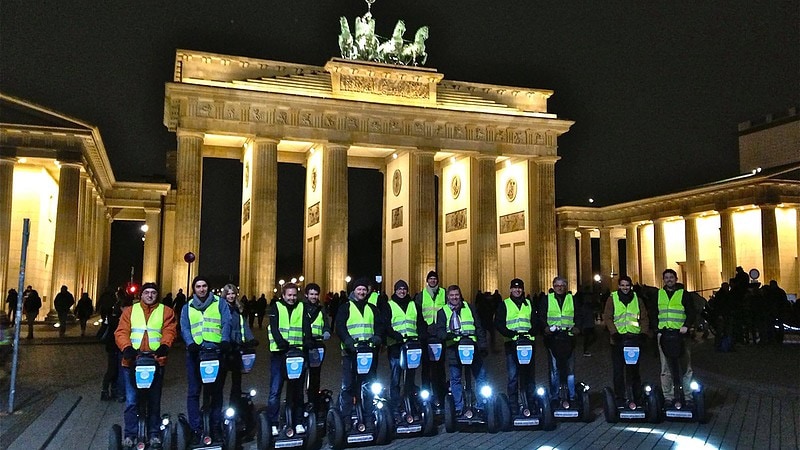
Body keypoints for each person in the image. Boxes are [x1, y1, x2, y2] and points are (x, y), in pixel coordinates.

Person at [115, 282, 177, 449]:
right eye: (146, 292)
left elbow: (169, 330)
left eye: (153, 293)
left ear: (157, 295)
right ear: (141, 295)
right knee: (132, 400)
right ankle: (130, 434)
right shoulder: (130, 311)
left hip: (156, 361)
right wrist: (126, 347)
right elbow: (121, 331)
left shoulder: (166, 311)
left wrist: (165, 345)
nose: (150, 295)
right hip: (132, 361)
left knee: (154, 399)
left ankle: (154, 433)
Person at [180, 275, 232, 443]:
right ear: (194, 289)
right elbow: (185, 327)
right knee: (194, 391)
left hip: (216, 351)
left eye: (204, 286)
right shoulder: (187, 307)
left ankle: (216, 426)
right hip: (195, 353)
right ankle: (196, 428)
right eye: (198, 286)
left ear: (208, 287)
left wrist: (225, 340)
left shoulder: (220, 302)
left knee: (216, 392)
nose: (201, 289)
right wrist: (190, 343)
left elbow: (227, 322)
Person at [434, 284, 488, 415]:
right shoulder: (442, 312)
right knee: (455, 379)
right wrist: (447, 335)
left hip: (472, 347)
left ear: (460, 295)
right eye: (452, 295)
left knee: (480, 377)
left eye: (456, 295)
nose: (454, 297)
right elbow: (439, 330)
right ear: (448, 297)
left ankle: (481, 405)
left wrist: (483, 345)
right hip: (454, 349)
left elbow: (479, 327)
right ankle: (459, 407)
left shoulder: (470, 308)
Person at [335, 277, 383, 418]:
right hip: (350, 352)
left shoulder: (372, 308)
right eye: (359, 289)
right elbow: (340, 326)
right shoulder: (345, 307)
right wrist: (347, 340)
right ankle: (347, 416)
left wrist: (378, 337)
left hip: (368, 352)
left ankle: (368, 414)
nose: (362, 292)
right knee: (348, 385)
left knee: (368, 384)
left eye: (363, 290)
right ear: (354, 291)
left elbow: (379, 325)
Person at [267, 283, 310, 435]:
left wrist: (308, 340)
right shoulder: (276, 307)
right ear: (283, 295)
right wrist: (280, 341)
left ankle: (297, 420)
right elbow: (273, 327)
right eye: (289, 295)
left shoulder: (302, 307)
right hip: (279, 353)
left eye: (294, 295)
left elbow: (306, 326)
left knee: (297, 390)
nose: (292, 298)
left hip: (297, 352)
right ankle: (273, 422)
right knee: (275, 389)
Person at [602, 275, 651, 407]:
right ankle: (620, 397)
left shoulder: (638, 299)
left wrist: (644, 333)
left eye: (627, 285)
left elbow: (644, 317)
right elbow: (608, 317)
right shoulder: (612, 299)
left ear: (631, 286)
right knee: (618, 371)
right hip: (618, 340)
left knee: (634, 370)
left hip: (634, 340)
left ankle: (636, 396)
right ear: (619, 286)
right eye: (622, 285)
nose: (625, 288)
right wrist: (614, 332)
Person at [380, 279, 426, 416]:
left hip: (412, 345)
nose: (402, 291)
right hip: (395, 345)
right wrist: (395, 335)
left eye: (404, 289)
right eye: (399, 289)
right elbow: (386, 325)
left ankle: (409, 400)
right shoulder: (389, 305)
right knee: (396, 375)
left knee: (410, 376)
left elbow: (420, 322)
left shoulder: (414, 305)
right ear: (395, 290)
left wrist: (422, 335)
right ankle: (395, 403)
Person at [655, 268, 696, 406]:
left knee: (686, 367)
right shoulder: (658, 294)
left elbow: (691, 312)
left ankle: (688, 396)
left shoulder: (684, 294)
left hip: (681, 335)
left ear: (676, 279)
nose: (669, 280)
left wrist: (687, 325)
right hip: (664, 335)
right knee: (665, 368)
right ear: (663, 280)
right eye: (666, 277)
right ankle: (668, 396)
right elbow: (653, 312)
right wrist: (657, 329)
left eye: (671, 277)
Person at [495, 278, 537, 408]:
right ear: (511, 289)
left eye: (519, 288)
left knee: (529, 376)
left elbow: (535, 321)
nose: (517, 290)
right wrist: (510, 334)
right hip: (511, 344)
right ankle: (513, 403)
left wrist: (533, 331)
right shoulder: (504, 304)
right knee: (513, 375)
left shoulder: (529, 303)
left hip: (528, 343)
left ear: (523, 289)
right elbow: (499, 323)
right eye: (515, 288)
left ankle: (530, 401)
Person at [538, 276, 580, 401]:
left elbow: (578, 315)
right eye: (557, 285)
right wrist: (546, 328)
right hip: (553, 339)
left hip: (569, 338)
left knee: (570, 368)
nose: (560, 288)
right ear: (553, 286)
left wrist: (577, 327)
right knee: (555, 368)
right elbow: (541, 316)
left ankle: (571, 395)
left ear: (566, 286)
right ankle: (554, 395)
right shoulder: (547, 299)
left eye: (562, 285)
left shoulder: (572, 299)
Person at [414, 270, 447, 409]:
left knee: (440, 367)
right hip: (426, 336)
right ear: (427, 281)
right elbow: (416, 315)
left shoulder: (444, 293)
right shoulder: (420, 296)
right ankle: (426, 394)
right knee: (426, 368)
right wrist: (422, 331)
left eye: (435, 279)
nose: (433, 281)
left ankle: (441, 394)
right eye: (431, 279)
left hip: (440, 335)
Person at [220, 284, 257, 404]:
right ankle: (216, 406)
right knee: (220, 379)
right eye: (228, 294)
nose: (231, 296)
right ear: (224, 295)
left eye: (233, 293)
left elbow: (244, 325)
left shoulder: (238, 308)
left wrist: (251, 339)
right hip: (225, 346)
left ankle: (234, 404)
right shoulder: (220, 308)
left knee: (237, 379)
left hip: (237, 346)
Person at [303, 282, 331, 412]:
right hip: (303, 344)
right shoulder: (301, 307)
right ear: (306, 295)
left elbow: (325, 322)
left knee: (315, 375)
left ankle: (313, 400)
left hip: (318, 344)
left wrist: (327, 331)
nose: (314, 296)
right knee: (300, 374)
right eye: (311, 294)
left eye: (316, 294)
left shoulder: (321, 308)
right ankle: (299, 402)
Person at [101, 295, 123, 401]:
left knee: (115, 370)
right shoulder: (117, 319)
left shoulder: (111, 318)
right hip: (114, 346)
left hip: (114, 347)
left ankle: (113, 390)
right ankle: (106, 391)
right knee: (112, 370)